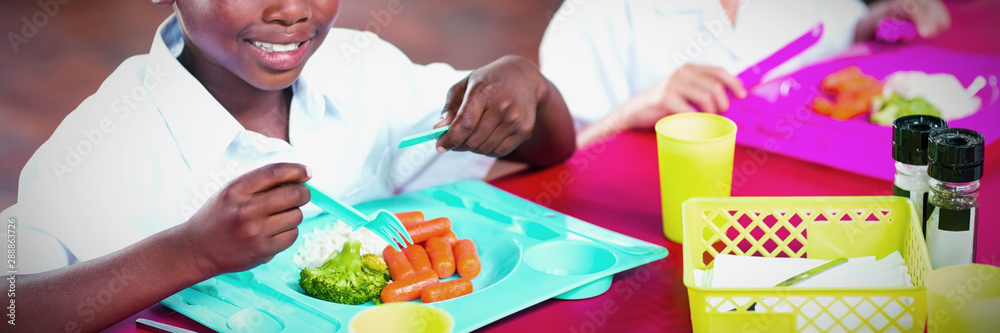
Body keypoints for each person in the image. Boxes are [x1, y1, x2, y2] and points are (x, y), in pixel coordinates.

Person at [1, 0, 575, 331]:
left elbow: (547, 151)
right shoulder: (101, 147)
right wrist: (188, 253)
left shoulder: (364, 69)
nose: (292, 10)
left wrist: (529, 83)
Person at [540, 0, 951, 146]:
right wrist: (632, 111)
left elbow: (845, 27)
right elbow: (546, 176)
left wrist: (887, 17)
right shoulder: (593, 16)